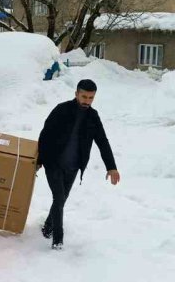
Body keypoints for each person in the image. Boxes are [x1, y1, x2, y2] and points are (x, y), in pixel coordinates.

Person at [37, 78, 120, 249]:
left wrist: (111, 167)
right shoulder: (61, 110)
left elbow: (102, 141)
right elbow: (45, 135)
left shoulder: (93, 117)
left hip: (73, 166)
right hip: (54, 162)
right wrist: (39, 161)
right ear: (76, 94)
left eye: (91, 98)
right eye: (84, 97)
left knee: (61, 199)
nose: (87, 101)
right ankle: (58, 241)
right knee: (59, 198)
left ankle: (48, 227)